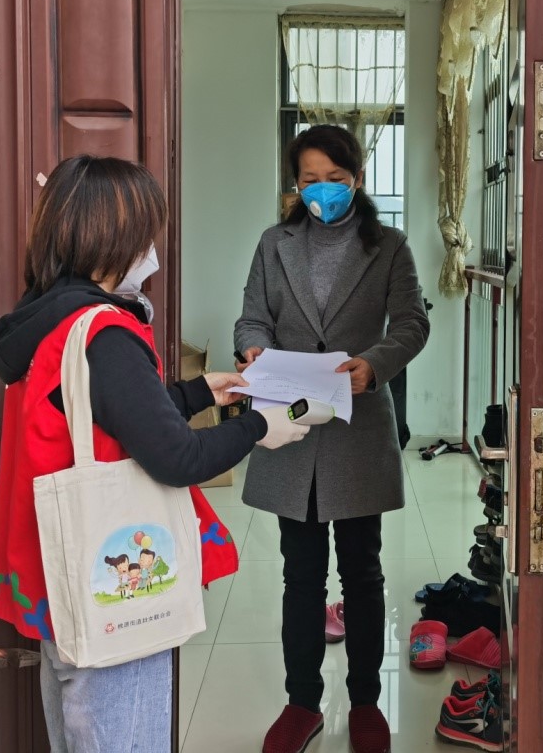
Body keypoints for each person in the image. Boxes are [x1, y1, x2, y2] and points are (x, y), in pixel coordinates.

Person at [0, 155, 310, 753]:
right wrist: (258, 427)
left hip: (65, 589)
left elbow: (104, 413)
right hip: (115, 610)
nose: (151, 251)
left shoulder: (49, 320)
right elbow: (177, 458)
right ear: (113, 237)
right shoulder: (104, 332)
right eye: (145, 234)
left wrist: (196, 392)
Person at [235, 125, 431, 753]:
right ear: (295, 185)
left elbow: (412, 323)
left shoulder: (390, 246)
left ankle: (367, 702)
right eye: (309, 181)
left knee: (362, 573)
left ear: (358, 179)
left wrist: (375, 364)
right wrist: (252, 348)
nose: (321, 191)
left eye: (334, 180)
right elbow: (252, 317)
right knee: (300, 577)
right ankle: (302, 703)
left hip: (356, 426)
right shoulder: (275, 244)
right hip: (290, 424)